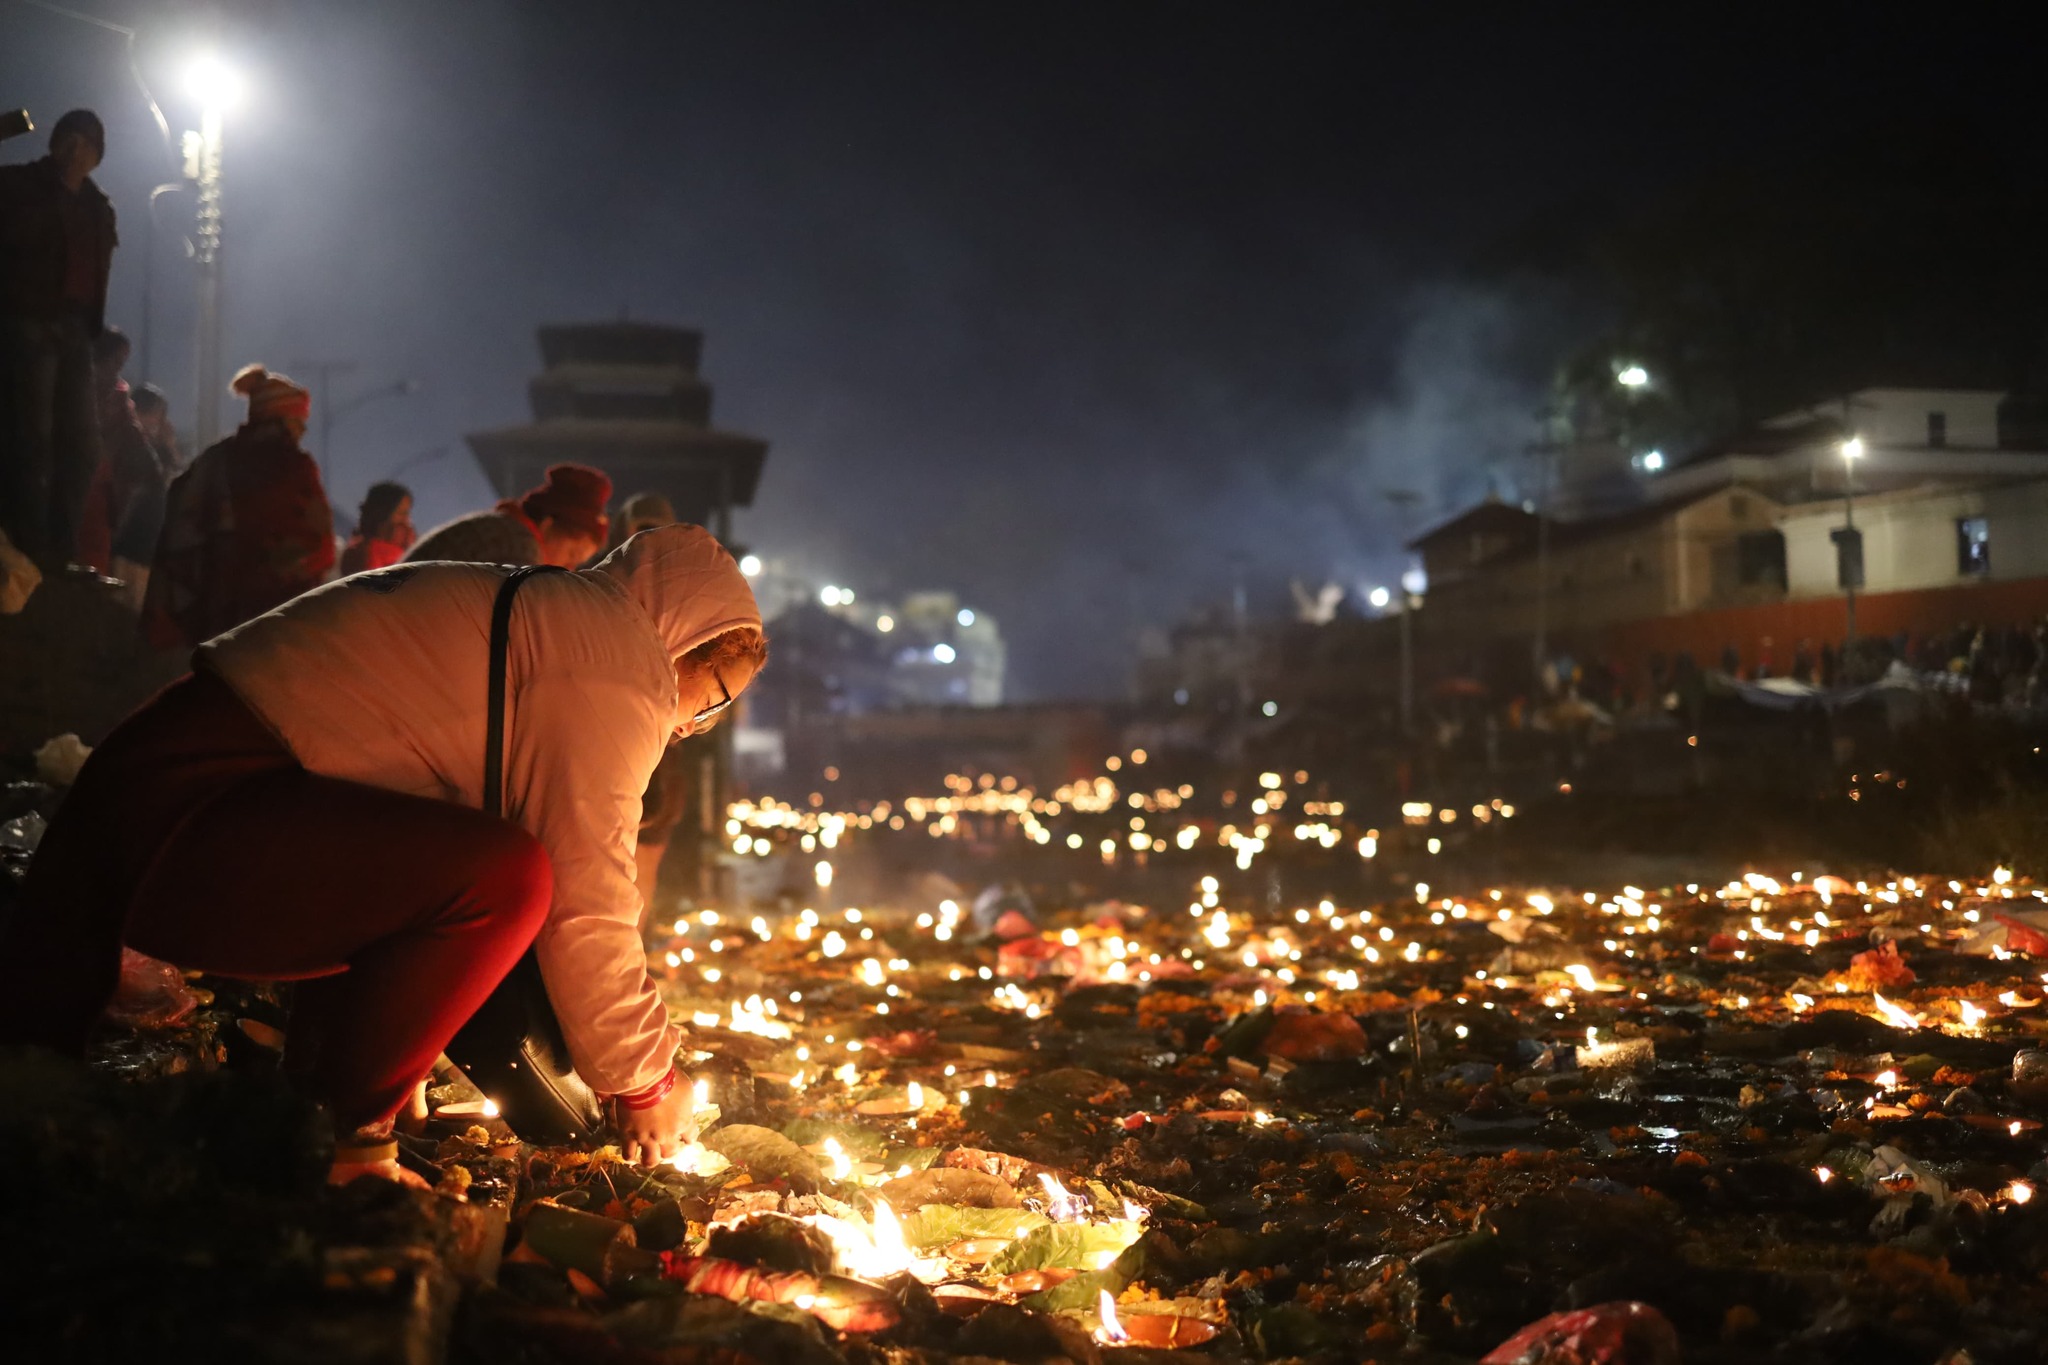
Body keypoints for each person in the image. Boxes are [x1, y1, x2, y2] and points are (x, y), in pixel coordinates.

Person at [0, 524, 765, 1186]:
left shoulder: (558, 615)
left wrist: (407, 1050)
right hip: (183, 826)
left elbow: (388, 840)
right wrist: (645, 1079)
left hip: (163, 821)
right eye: (718, 696)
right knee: (508, 876)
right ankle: (352, 1148)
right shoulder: (614, 669)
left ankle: (331, 1102)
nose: (696, 723)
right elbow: (587, 897)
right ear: (690, 638)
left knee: (460, 855)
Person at [140, 365, 335, 650]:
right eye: (298, 420)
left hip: (213, 610)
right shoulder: (294, 467)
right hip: (275, 611)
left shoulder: (214, 461)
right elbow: (319, 542)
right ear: (279, 419)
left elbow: (179, 525)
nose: (302, 429)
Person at [0, 110, 118, 573]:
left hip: (73, 328)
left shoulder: (98, 208)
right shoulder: (17, 186)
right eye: (69, 139)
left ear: (97, 156)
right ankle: (28, 544)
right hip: (25, 318)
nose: (77, 149)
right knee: (32, 437)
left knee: (83, 445)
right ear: (54, 143)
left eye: (87, 143)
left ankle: (58, 548)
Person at [407, 463, 609, 568]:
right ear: (547, 525)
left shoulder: (503, 528)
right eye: (571, 555)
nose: (570, 567)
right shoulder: (519, 549)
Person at [339, 481, 416, 575]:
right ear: (382, 514)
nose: (406, 521)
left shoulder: (402, 548)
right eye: (401, 513)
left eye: (407, 513)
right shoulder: (363, 551)